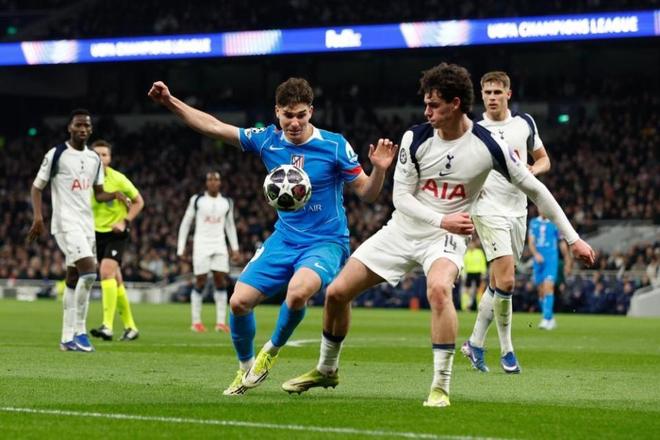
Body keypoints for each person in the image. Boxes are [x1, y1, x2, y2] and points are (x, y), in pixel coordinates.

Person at [282, 63, 595, 408]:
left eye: (433, 105)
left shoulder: (488, 145)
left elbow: (536, 189)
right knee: (337, 293)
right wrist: (442, 219)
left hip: (444, 239)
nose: (426, 112)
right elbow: (401, 198)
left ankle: (440, 387)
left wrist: (573, 239)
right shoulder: (415, 138)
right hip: (404, 230)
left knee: (439, 289)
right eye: (426, 104)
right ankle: (327, 369)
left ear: (455, 104)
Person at [148, 77, 398, 395]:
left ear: (311, 112)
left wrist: (379, 170)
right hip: (284, 239)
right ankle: (245, 368)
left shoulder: (334, 145)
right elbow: (214, 127)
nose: (294, 123)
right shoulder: (267, 140)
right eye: (288, 115)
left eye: (301, 115)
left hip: (325, 242)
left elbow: (367, 193)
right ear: (276, 112)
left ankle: (271, 351)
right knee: (238, 302)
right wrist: (170, 102)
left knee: (297, 292)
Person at [461, 71, 551, 374]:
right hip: (487, 209)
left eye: (497, 92)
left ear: (508, 94)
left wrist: (532, 171)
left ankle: (474, 343)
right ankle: (507, 351)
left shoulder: (524, 123)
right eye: (487, 92)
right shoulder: (474, 130)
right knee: (509, 281)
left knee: (498, 282)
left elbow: (544, 159)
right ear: (481, 95)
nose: (492, 97)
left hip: (518, 210)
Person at [27, 109, 130, 352]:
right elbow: (37, 187)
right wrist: (38, 217)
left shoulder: (94, 158)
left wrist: (115, 194)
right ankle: (80, 332)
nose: (83, 129)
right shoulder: (57, 154)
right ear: (70, 128)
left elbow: (98, 193)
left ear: (91, 130)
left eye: (87, 125)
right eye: (78, 125)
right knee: (90, 272)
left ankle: (66, 338)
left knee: (73, 278)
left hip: (86, 225)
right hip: (65, 223)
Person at [89, 139, 145, 342]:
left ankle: (107, 326)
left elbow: (139, 201)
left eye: (104, 154)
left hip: (116, 232)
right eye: (96, 154)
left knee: (105, 272)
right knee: (116, 279)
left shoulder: (118, 179)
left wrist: (125, 221)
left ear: (110, 158)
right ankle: (131, 327)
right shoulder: (85, 180)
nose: (100, 158)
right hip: (95, 233)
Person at [177, 171, 240, 333]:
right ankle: (196, 322)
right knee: (200, 281)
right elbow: (186, 222)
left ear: (220, 182)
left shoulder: (227, 202)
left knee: (221, 281)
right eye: (210, 179)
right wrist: (181, 247)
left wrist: (235, 248)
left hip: (219, 244)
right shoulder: (197, 200)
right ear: (206, 183)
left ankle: (221, 323)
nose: (213, 182)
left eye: (216, 179)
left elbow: (230, 225)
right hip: (201, 244)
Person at [528, 214, 570, 330]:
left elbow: (562, 242)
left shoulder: (554, 222)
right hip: (538, 260)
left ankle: (546, 318)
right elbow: (531, 242)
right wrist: (536, 254)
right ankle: (550, 318)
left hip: (551, 259)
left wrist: (567, 260)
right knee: (541, 291)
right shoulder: (533, 222)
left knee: (548, 287)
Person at [462, 238, 487, 311]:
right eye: (469, 244)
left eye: (472, 243)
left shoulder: (479, 253)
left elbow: (483, 263)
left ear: (474, 244)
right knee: (467, 290)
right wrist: (463, 274)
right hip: (469, 273)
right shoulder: (466, 253)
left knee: (479, 290)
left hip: (478, 273)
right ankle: (466, 306)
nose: (471, 245)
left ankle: (480, 306)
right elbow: (464, 264)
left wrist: (483, 273)